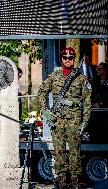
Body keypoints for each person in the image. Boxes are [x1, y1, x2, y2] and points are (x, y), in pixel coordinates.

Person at [38, 47, 92, 189]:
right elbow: (41, 93)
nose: (68, 60)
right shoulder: (54, 77)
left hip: (74, 120)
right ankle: (61, 182)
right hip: (57, 120)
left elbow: (87, 102)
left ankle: (75, 182)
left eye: (71, 58)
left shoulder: (81, 79)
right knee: (59, 151)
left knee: (75, 152)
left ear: (74, 59)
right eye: (65, 58)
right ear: (62, 59)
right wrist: (46, 111)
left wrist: (84, 122)